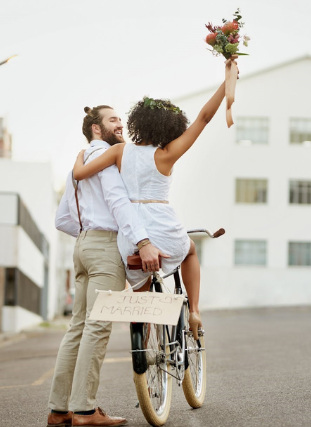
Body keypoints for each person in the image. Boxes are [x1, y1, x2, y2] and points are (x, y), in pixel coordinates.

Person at [72, 57, 237, 336]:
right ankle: (194, 311)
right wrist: (227, 82)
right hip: (162, 224)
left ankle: (144, 354)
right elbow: (204, 118)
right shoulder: (167, 154)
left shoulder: (119, 151)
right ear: (169, 128)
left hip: (131, 234)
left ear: (139, 123)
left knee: (142, 297)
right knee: (190, 251)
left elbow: (80, 174)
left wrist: (79, 157)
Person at [46, 105, 166, 427]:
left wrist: (88, 234)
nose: (120, 124)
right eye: (113, 119)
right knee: (97, 327)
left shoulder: (81, 162)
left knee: (78, 327)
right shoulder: (107, 158)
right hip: (102, 248)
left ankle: (60, 411)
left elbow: (62, 220)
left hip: (82, 246)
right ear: (96, 128)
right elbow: (117, 202)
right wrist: (142, 242)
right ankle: (85, 411)